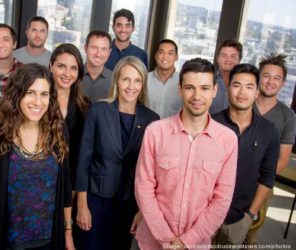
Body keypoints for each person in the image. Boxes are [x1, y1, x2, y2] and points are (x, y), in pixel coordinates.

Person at [134, 58, 238, 250]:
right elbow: (144, 187)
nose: (197, 96)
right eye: (190, 87)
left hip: (196, 244)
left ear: (214, 90)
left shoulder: (228, 140)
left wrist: (186, 241)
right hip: (152, 242)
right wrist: (167, 240)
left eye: (205, 88)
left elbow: (221, 200)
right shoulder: (155, 132)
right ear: (180, 89)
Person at [0, 63, 74, 250]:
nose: (38, 102)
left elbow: (66, 184)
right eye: (30, 92)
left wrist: (68, 233)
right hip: (8, 242)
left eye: (44, 94)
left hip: (49, 240)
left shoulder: (59, 131)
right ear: (16, 94)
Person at [76, 56, 159, 250]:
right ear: (117, 82)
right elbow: (83, 161)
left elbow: (151, 171)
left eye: (137, 80)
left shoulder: (151, 119)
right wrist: (82, 205)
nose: (131, 86)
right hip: (96, 200)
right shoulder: (98, 110)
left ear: (143, 85)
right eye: (126, 79)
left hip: (129, 202)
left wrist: (141, 211)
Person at [213, 64, 279, 248]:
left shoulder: (268, 131)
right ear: (228, 89)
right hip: (206, 212)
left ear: (257, 92)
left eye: (249, 87)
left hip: (239, 216)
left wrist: (250, 215)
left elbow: (268, 178)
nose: (242, 92)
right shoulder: (212, 123)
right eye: (237, 85)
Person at [246, 54, 296, 246]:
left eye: (277, 78)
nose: (270, 81)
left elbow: (282, 160)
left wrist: (256, 180)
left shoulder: (288, 116)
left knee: (248, 235)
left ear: (283, 83)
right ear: (258, 77)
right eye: (266, 75)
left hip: (262, 185)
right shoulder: (243, 103)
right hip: (230, 180)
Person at [49, 43, 90, 191]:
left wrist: (76, 189)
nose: (67, 73)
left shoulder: (85, 106)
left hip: (71, 183)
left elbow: (85, 154)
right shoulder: (38, 103)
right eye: (61, 66)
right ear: (51, 66)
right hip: (41, 181)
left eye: (73, 68)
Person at [147, 38, 182, 118]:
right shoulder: (144, 79)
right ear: (156, 56)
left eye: (170, 53)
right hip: (147, 128)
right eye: (161, 52)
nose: (165, 56)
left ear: (176, 57)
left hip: (174, 129)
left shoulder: (183, 82)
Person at [210, 39, 243, 114]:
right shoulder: (208, 80)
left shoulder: (246, 84)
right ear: (218, 58)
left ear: (239, 60)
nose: (228, 59)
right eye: (224, 55)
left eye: (233, 56)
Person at [82, 30, 113, 102]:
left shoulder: (115, 81)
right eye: (94, 47)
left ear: (109, 52)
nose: (98, 54)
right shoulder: (73, 76)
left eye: (103, 49)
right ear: (86, 49)